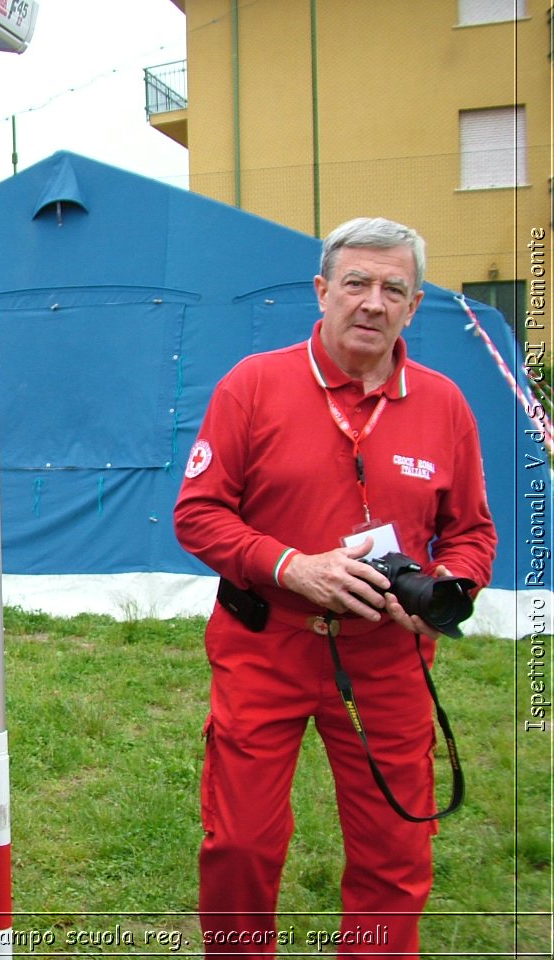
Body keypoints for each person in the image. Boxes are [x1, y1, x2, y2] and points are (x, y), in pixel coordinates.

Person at [173, 217, 496, 956]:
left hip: (390, 660)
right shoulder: (254, 385)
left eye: (393, 289)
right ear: (322, 292)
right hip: (266, 646)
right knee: (242, 846)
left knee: (396, 852)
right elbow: (198, 515)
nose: (373, 303)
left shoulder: (445, 405)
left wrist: (453, 588)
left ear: (414, 306)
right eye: (356, 283)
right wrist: (294, 567)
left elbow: (474, 532)